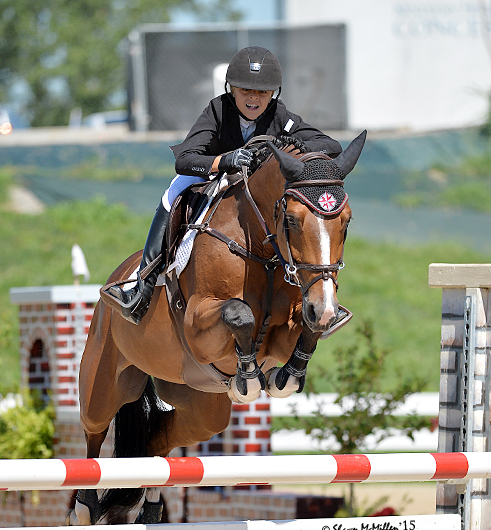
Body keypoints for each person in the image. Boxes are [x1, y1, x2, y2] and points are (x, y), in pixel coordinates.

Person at [105, 46, 343, 324]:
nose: (254, 99)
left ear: (273, 94)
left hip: (256, 185)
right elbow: (185, 159)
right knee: (172, 193)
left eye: (262, 93)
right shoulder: (217, 110)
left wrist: (288, 145)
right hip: (214, 174)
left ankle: (317, 292)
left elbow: (331, 145)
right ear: (232, 89)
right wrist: (226, 159)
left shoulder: (280, 115)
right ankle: (142, 285)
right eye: (245, 91)